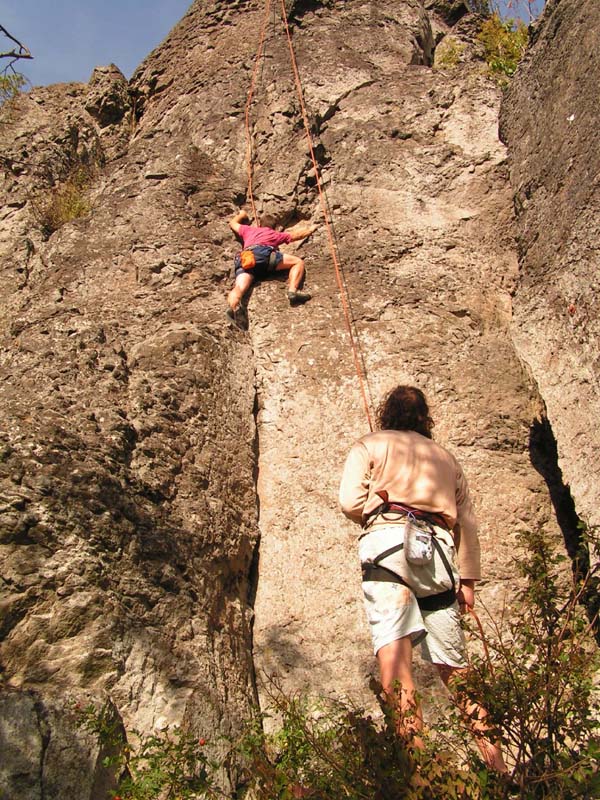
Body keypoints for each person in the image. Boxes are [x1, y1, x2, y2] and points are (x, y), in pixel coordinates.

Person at [339, 385, 507, 772]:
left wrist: (378, 512)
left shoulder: (370, 444)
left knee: (396, 663)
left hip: (387, 547)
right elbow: (467, 522)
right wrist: (467, 583)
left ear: (388, 413)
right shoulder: (446, 459)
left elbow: (349, 501)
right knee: (454, 666)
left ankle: (420, 773)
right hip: (437, 555)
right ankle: (499, 767)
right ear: (424, 417)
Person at [226, 209, 317, 328]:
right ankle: (292, 292)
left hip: (247, 259)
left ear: (260, 224)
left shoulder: (248, 230)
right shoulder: (274, 234)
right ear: (274, 227)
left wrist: (242, 215)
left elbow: (232, 224)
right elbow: (294, 235)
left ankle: (233, 308)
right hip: (264, 256)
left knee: (239, 287)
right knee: (297, 262)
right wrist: (310, 229)